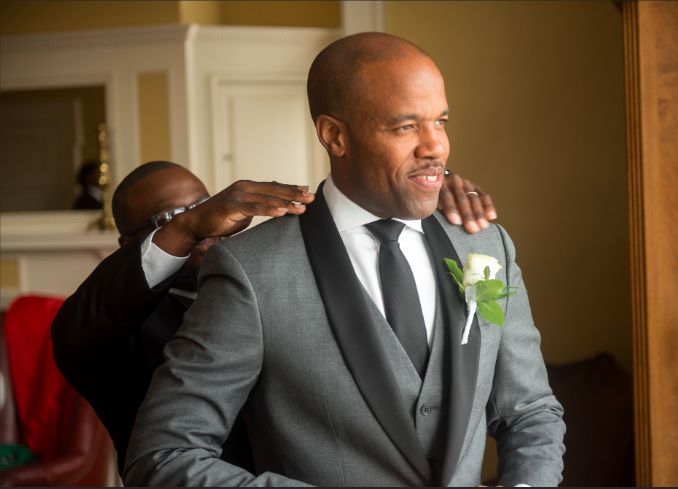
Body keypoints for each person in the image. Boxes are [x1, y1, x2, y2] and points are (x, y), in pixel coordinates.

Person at [123, 32, 565, 487]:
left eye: (441, 121)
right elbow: (161, 456)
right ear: (334, 135)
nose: (436, 147)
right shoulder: (250, 271)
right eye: (405, 127)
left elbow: (530, 413)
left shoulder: (486, 246)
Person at [51, 154, 495, 475]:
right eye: (170, 216)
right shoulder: (116, 330)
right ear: (130, 244)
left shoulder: (263, 277)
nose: (204, 220)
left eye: (203, 203)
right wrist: (188, 227)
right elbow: (73, 335)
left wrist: (423, 180)